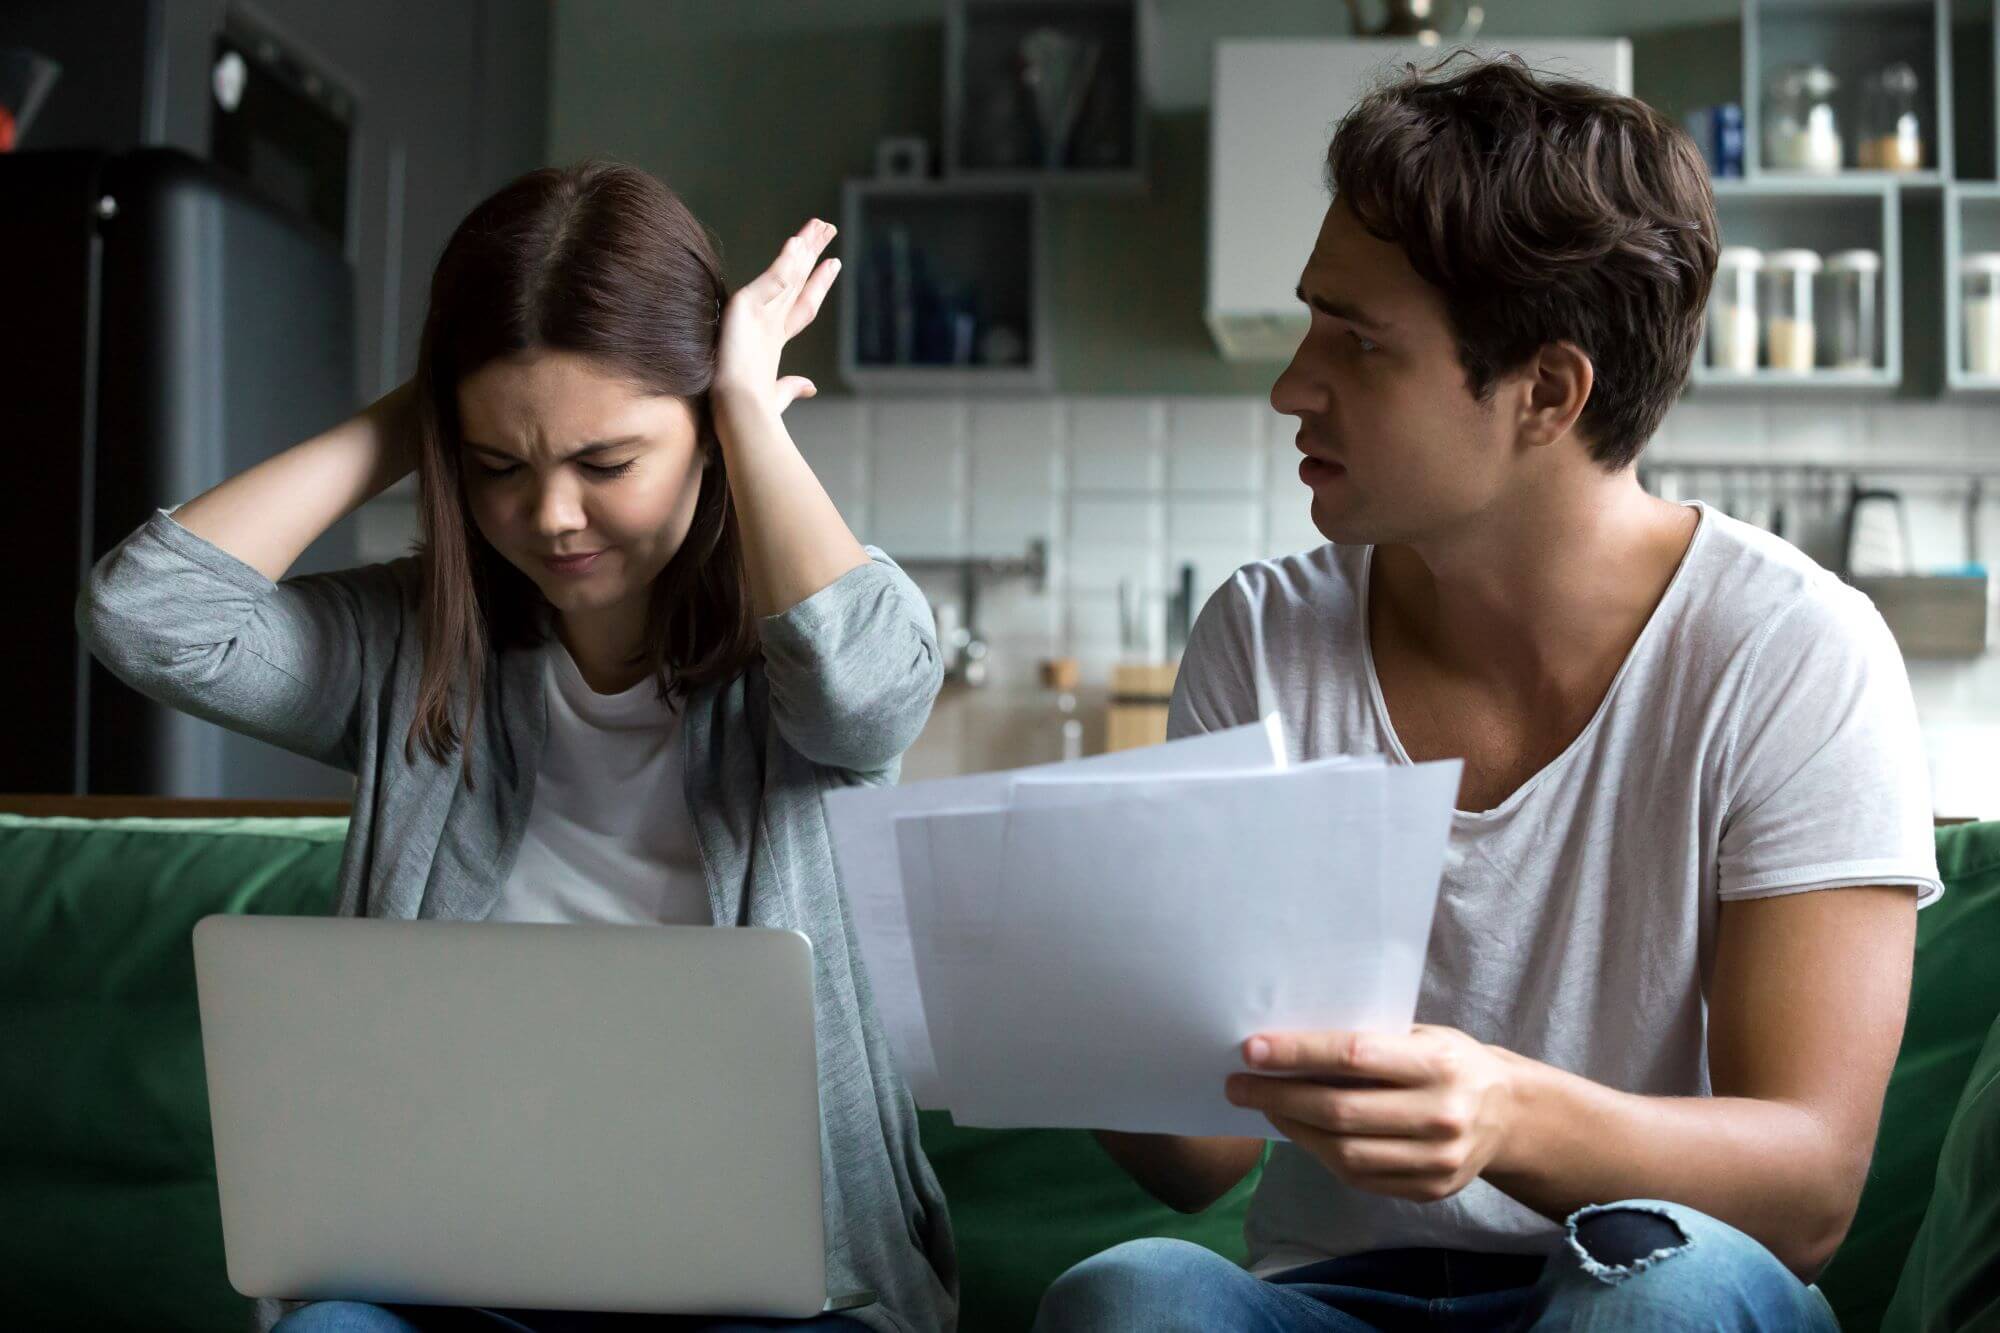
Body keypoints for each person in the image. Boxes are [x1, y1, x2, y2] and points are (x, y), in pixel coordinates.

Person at [1034, 56, 1940, 1332]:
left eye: (1357, 342)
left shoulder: (1792, 653)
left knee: (1660, 1303)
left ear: (1544, 394)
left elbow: (1806, 1189)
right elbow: (1199, 1162)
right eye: (1308, 323)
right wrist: (1065, 985)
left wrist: (1505, 1113)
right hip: (1338, 1298)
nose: (1292, 384)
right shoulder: (1262, 634)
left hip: (1644, 1271)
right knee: (1130, 1295)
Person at [78, 161, 955, 1333]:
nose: (550, 515)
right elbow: (147, 617)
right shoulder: (408, 646)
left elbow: (861, 696)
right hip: (449, 1269)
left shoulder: (809, 640)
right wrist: (422, 410)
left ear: (702, 435)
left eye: (605, 463)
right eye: (499, 465)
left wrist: (743, 404)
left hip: (776, 1293)